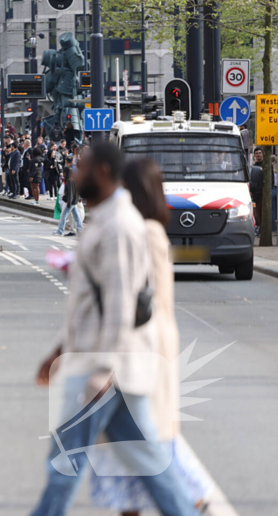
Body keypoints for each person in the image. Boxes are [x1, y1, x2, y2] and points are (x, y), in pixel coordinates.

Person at [29, 143, 197, 516]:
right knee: (152, 464)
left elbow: (122, 304)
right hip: (108, 364)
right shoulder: (107, 219)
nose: (74, 173)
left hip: (103, 366)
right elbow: (95, 302)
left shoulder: (120, 226)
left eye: (81, 167)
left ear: (102, 172)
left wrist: (104, 368)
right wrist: (58, 351)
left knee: (65, 461)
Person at [88, 159, 210, 515]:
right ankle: (180, 498)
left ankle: (190, 497)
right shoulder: (147, 230)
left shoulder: (144, 233)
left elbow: (138, 294)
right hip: (148, 338)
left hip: (141, 342)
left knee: (143, 435)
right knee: (141, 435)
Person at [54, 165, 84, 237]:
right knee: (76, 216)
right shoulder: (73, 179)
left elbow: (70, 192)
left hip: (70, 201)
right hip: (74, 201)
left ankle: (60, 231)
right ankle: (80, 230)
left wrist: (69, 203)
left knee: (63, 215)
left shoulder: (69, 181)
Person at [250, 147, 264, 230]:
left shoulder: (267, 166)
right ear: (254, 155)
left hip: (264, 194)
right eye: (257, 153)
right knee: (256, 214)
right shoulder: (253, 167)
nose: (258, 155)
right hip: (256, 195)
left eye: (260, 153)